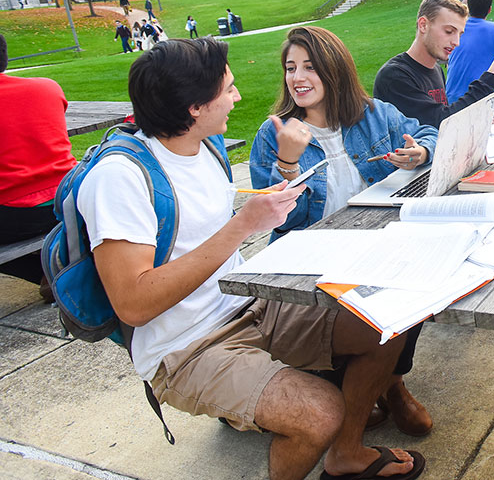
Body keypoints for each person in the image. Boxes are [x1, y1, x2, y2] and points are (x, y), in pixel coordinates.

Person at [80, 37, 424, 480]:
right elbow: (133, 303)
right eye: (227, 89)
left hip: (248, 306)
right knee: (319, 413)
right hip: (185, 347)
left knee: (386, 320)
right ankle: (327, 439)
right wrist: (242, 226)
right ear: (193, 107)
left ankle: (346, 454)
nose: (237, 97)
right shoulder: (119, 178)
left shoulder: (204, 147)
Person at [250, 26, 439, 437]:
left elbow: (429, 133)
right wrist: (287, 164)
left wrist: (420, 151)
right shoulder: (275, 134)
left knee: (423, 276)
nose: (297, 78)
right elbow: (276, 219)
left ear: (334, 70)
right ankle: (382, 385)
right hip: (311, 262)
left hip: (377, 244)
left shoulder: (374, 115)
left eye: (309, 67)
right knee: (383, 301)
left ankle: (390, 382)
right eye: (290, 68)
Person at [374, 0, 494, 128]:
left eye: (460, 34)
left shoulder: (436, 69)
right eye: (449, 32)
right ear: (423, 25)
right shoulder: (394, 76)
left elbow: (443, 116)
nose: (456, 42)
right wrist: (490, 78)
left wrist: (473, 120)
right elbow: (441, 122)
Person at [0, 33, 76, 294]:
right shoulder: (47, 87)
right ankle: (52, 269)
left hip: (14, 212)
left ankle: (44, 272)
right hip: (70, 196)